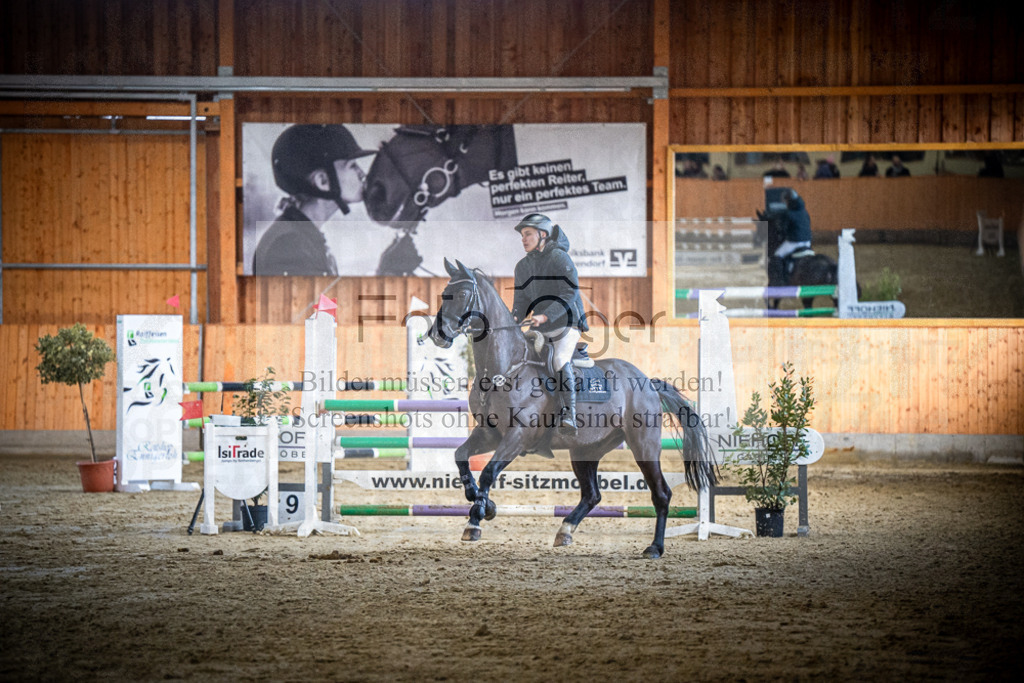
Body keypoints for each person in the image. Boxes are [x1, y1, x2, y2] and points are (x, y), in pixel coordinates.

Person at [252, 124, 376, 275]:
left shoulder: (300, 236)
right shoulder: (290, 245)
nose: (362, 174)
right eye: (352, 166)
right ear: (322, 181)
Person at [510, 214, 589, 435]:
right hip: (541, 326)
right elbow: (521, 302)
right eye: (522, 235)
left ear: (542, 234)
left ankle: (569, 414)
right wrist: (514, 320)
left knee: (559, 359)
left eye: (528, 234)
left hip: (568, 322)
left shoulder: (559, 257)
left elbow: (569, 292)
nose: (523, 239)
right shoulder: (522, 266)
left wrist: (545, 316)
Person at [767, 188, 812, 285]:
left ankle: (780, 280)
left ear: (788, 201)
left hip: (795, 241)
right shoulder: (804, 211)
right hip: (808, 241)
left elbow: (784, 229)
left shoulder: (789, 214)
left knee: (777, 255)